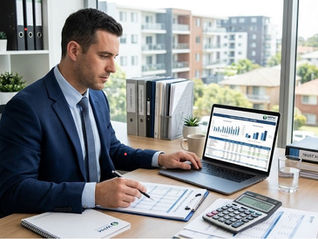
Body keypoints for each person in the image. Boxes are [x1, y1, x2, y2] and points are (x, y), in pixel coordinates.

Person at [0, 8, 201, 217]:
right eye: (104, 56)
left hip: (102, 215)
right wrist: (94, 194)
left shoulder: (96, 96)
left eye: (114, 57)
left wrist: (160, 159)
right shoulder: (26, 108)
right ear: (74, 51)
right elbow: (15, 190)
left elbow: (112, 149)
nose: (113, 68)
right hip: (57, 218)